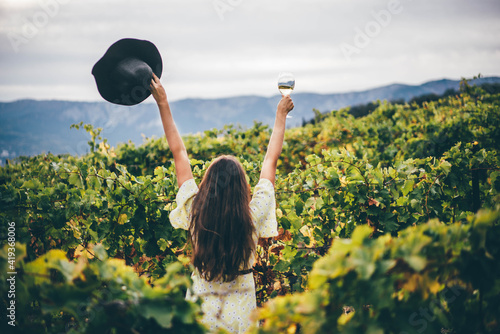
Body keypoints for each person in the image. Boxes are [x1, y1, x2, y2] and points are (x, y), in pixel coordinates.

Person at [149, 73, 294, 333]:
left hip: (199, 308)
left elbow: (179, 152)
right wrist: (280, 115)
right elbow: (270, 160)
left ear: (207, 185)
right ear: (242, 189)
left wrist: (162, 102)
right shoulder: (253, 214)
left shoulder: (195, 209)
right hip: (242, 312)